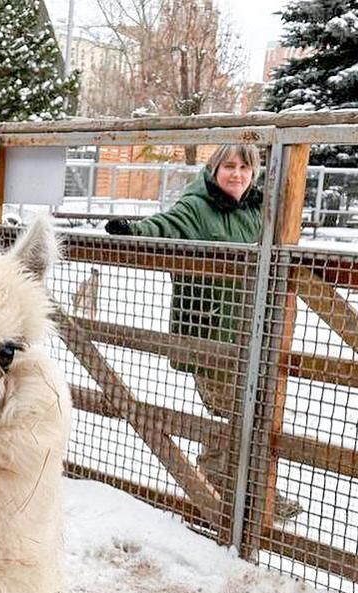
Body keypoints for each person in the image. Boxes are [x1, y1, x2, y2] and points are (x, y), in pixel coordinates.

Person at [105, 145, 304, 522]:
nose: (237, 175)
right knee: (234, 411)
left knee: (254, 412)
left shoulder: (257, 210)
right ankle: (220, 491)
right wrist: (133, 231)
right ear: (213, 170)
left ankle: (245, 492)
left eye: (245, 168)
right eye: (229, 166)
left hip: (251, 332)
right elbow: (166, 225)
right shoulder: (197, 206)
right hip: (209, 333)